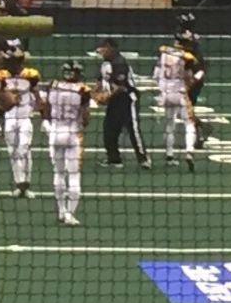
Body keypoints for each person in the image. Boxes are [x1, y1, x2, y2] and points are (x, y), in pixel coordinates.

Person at [43, 59, 91, 226]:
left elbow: (45, 108)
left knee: (58, 173)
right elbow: (85, 118)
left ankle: (61, 211)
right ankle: (70, 214)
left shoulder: (53, 85)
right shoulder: (83, 90)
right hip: (72, 134)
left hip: (55, 132)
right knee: (74, 175)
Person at [151, 32, 199, 169]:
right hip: (180, 93)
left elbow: (155, 75)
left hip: (165, 94)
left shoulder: (163, 53)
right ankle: (189, 151)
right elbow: (188, 77)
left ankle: (169, 155)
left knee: (169, 125)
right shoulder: (186, 57)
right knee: (189, 123)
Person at [99, 36, 147, 169]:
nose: (101, 51)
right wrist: (96, 95)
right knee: (109, 128)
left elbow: (121, 87)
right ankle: (114, 158)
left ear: (110, 48)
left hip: (128, 99)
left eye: (104, 48)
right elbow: (99, 81)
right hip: (114, 100)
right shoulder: (105, 63)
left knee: (133, 129)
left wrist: (106, 97)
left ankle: (143, 159)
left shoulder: (119, 63)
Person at [0, 57, 36, 196]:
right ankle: (20, 184)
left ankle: (27, 183)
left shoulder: (30, 76)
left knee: (24, 150)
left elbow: (36, 92)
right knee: (13, 152)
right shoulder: (2, 78)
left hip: (25, 118)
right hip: (10, 118)